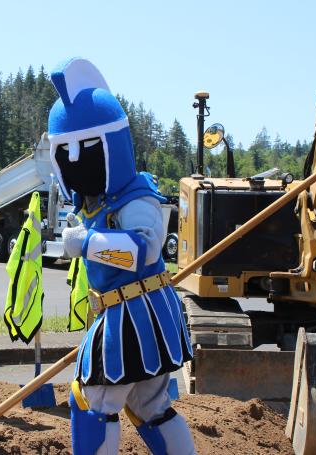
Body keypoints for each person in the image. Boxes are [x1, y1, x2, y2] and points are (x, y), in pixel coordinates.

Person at [49, 58, 196, 454]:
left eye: (87, 148)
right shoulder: (99, 202)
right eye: (67, 151)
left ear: (111, 145)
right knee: (149, 405)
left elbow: (144, 248)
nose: (76, 160)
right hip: (132, 313)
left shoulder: (136, 195)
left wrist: (88, 243)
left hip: (134, 313)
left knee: (90, 399)